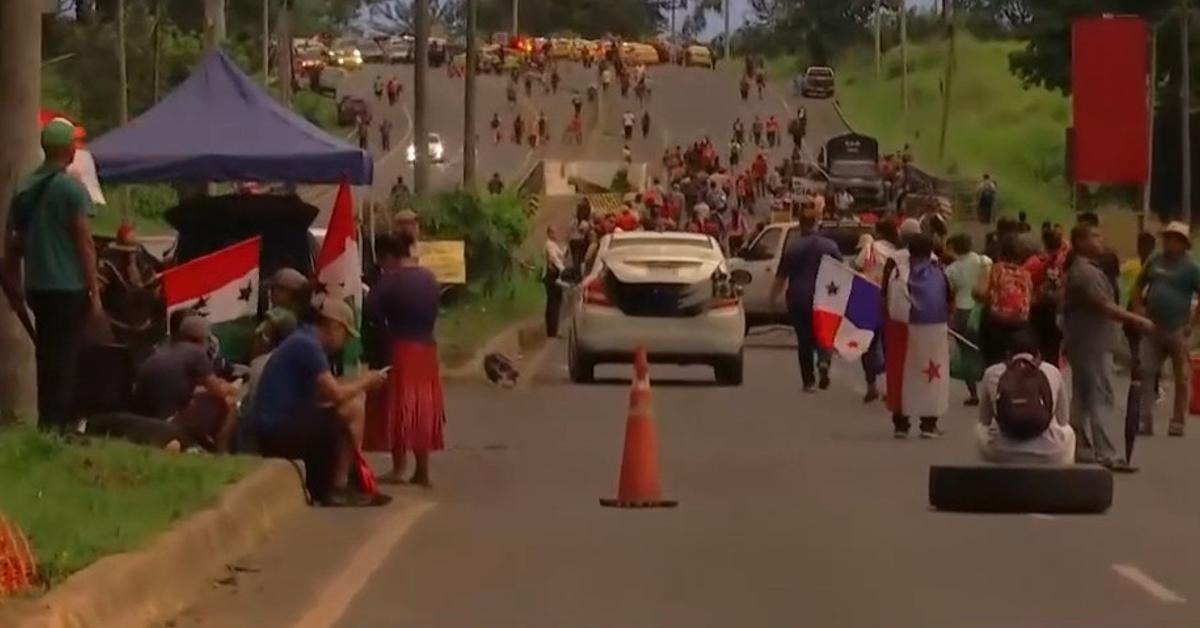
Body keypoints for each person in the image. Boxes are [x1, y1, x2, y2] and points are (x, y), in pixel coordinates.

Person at [3, 118, 100, 432]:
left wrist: (14, 284)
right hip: (68, 286)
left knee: (48, 356)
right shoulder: (71, 188)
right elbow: (84, 242)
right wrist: (94, 290)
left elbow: (12, 241)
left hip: (37, 286)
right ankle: (59, 427)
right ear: (69, 149)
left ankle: (50, 424)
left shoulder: (24, 187)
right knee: (66, 359)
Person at [253, 298, 390, 506]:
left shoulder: (303, 340)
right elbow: (336, 394)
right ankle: (339, 487)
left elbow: (325, 393)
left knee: (348, 406)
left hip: (282, 422)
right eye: (345, 334)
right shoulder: (308, 346)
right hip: (278, 429)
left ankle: (344, 481)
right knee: (352, 410)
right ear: (334, 326)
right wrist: (366, 381)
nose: (344, 342)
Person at [1063, 223, 1153, 472]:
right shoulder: (1086, 273)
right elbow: (1104, 305)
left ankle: (1079, 445)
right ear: (1080, 242)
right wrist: (1138, 319)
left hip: (1084, 340)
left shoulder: (1086, 270)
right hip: (1090, 341)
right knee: (1101, 394)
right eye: (1095, 236)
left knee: (1082, 396)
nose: (1101, 240)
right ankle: (1107, 453)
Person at [363, 233, 446, 488]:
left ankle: (399, 468)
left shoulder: (390, 281)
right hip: (427, 349)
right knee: (422, 408)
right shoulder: (429, 278)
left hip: (400, 347)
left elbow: (371, 311)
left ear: (387, 257)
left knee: (398, 407)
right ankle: (422, 470)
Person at [1130, 222, 1200, 438]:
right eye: (1167, 237)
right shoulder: (1155, 260)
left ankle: (1177, 422)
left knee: (1181, 377)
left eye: (1174, 239)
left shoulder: (1191, 268)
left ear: (1183, 244)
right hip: (1152, 327)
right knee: (1147, 371)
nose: (1169, 242)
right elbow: (1138, 285)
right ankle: (1144, 419)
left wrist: (1192, 324)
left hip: (1178, 329)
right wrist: (1139, 308)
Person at [132, 315, 239, 452]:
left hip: (143, 420)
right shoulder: (197, 353)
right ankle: (221, 451)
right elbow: (218, 391)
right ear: (200, 339)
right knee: (230, 403)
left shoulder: (164, 350)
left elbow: (175, 386)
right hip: (169, 422)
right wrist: (230, 387)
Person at [883, 233, 952, 438]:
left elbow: (887, 300)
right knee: (932, 376)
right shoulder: (939, 272)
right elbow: (950, 298)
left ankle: (901, 424)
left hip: (902, 331)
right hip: (934, 331)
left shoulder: (898, 272)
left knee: (902, 374)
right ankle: (928, 424)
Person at [977, 331, 1075, 466]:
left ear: (1008, 354)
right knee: (1068, 431)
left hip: (1002, 451)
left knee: (979, 429)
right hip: (1049, 452)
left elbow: (985, 419)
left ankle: (993, 476)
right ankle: (1061, 477)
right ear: (1038, 354)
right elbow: (1063, 419)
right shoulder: (1052, 371)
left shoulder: (992, 372)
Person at [770, 214, 841, 392]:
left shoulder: (793, 248)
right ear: (816, 224)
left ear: (800, 226)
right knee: (824, 335)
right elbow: (843, 272)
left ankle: (808, 382)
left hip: (798, 298)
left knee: (804, 340)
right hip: (824, 299)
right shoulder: (830, 246)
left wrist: (772, 298)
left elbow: (781, 277)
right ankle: (824, 362)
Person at [974, 234, 1032, 367]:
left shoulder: (994, 269)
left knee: (994, 364)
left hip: (995, 323)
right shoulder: (1025, 274)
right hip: (1019, 325)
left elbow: (979, 293)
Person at [945, 234, 987, 405]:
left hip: (962, 312)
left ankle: (973, 393)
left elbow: (948, 293)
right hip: (982, 310)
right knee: (986, 350)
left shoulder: (952, 270)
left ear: (954, 247)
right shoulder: (984, 261)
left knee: (967, 353)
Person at [1023, 226, 1068, 364]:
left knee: (1037, 349)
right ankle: (1052, 377)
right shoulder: (1064, 260)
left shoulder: (1034, 262)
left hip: (1037, 308)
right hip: (1057, 308)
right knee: (1053, 350)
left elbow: (1025, 282)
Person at [253, 267, 309, 359]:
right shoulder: (297, 316)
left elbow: (260, 348)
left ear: (289, 292)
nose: (271, 293)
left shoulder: (280, 316)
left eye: (276, 288)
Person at [542, 226, 568, 338]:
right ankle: (553, 330)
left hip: (553, 274)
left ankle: (552, 329)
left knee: (554, 302)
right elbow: (554, 258)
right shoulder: (549, 245)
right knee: (554, 303)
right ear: (549, 233)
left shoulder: (553, 245)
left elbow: (561, 255)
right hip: (552, 275)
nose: (556, 234)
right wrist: (563, 270)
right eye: (553, 232)